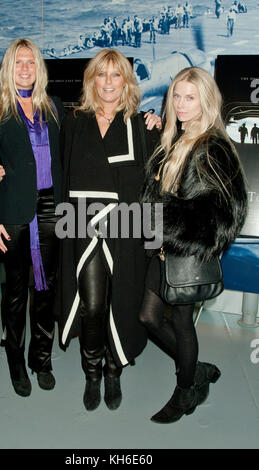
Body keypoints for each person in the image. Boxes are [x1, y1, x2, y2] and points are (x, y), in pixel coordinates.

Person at [140, 66, 247, 424]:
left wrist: (164, 220)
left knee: (182, 322)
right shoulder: (173, 138)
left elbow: (224, 213)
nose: (181, 104)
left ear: (206, 102)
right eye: (177, 96)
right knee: (148, 317)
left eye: (190, 97)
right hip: (161, 246)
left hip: (185, 251)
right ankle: (196, 369)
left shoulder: (212, 146)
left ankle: (187, 390)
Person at [55, 49, 161, 412]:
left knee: (125, 301)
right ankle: (92, 373)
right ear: (92, 80)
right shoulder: (74, 122)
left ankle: (115, 370)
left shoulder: (141, 125)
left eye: (116, 76)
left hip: (127, 228)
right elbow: (55, 172)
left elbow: (155, 186)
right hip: (82, 225)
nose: (109, 83)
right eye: (102, 75)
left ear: (126, 81)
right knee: (93, 304)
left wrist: (155, 238)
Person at [0, 38, 65, 397]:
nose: (25, 68)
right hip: (13, 213)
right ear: (8, 68)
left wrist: (148, 118)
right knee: (15, 293)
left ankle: (41, 359)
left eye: (31, 62)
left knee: (45, 291)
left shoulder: (55, 107)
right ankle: (16, 361)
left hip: (50, 210)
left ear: (39, 69)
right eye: (19, 62)